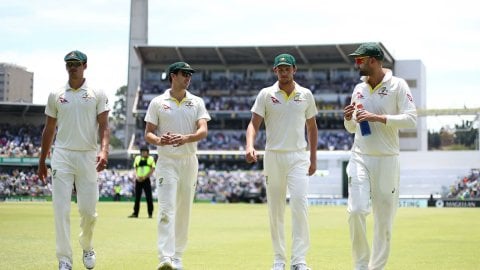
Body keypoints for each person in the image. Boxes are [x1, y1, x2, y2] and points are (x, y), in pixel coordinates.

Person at [343, 43, 417, 270]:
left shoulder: (398, 85)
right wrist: (348, 119)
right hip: (360, 156)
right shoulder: (358, 89)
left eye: (360, 60)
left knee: (384, 222)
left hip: (387, 158)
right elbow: (352, 128)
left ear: (373, 60)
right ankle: (360, 266)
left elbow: (411, 119)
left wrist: (379, 118)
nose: (357, 64)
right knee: (356, 211)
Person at [37, 50, 110, 270]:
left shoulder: (97, 92)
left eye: (76, 64)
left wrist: (104, 150)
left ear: (85, 65)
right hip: (62, 155)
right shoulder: (56, 93)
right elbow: (49, 129)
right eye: (69, 64)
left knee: (88, 211)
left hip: (88, 155)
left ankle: (87, 246)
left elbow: (105, 126)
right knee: (60, 209)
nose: (72, 67)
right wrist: (42, 160)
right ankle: (64, 259)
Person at [245, 53, 318, 270]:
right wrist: (250, 145)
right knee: (275, 209)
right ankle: (279, 260)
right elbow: (253, 124)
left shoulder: (305, 94)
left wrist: (313, 159)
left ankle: (299, 261)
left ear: (294, 69)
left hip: (298, 157)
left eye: (287, 68)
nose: (284, 72)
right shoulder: (266, 94)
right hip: (273, 156)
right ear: (274, 70)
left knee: (299, 205)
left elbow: (312, 128)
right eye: (280, 69)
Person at [144, 61, 210, 270]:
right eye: (184, 74)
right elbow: (148, 133)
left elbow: (203, 130)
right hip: (167, 161)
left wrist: (186, 138)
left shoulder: (197, 102)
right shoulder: (157, 102)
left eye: (190, 74)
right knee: (166, 208)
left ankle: (178, 256)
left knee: (184, 210)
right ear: (173, 75)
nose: (188, 78)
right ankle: (165, 257)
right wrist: (159, 140)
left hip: (189, 161)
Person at [128, 145, 155, 218]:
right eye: (142, 152)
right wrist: (136, 176)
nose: (144, 153)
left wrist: (145, 177)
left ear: (148, 152)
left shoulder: (151, 159)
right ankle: (135, 213)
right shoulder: (137, 158)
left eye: (145, 152)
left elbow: (152, 169)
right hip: (138, 180)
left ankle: (150, 213)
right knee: (137, 198)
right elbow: (135, 168)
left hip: (146, 180)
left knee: (149, 197)